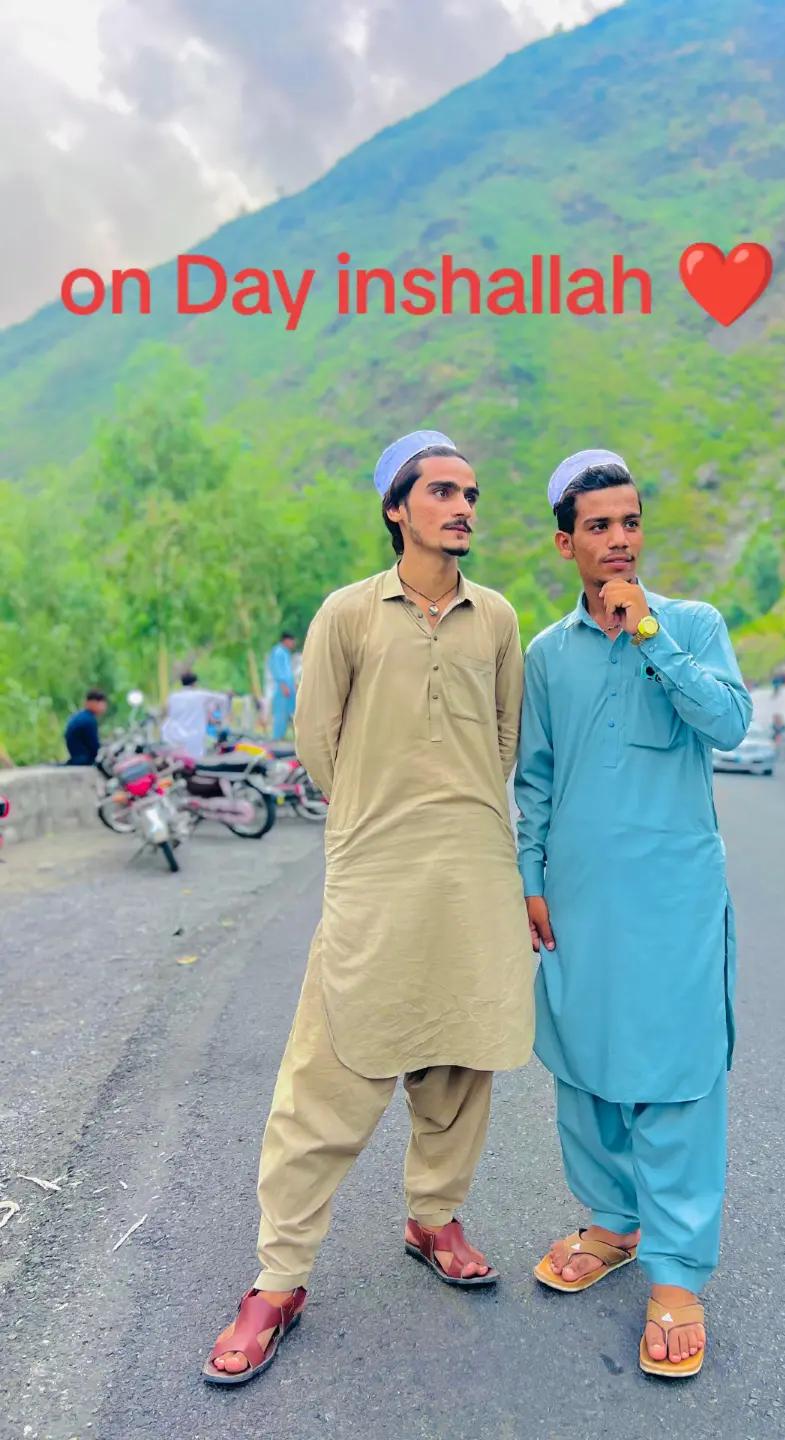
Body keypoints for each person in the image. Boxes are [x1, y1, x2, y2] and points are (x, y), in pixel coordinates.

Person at [202, 429, 535, 1386]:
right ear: (397, 508)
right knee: (331, 1070)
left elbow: (503, 738)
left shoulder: (497, 618)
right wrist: (379, 819)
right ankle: (279, 1277)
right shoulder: (348, 614)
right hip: (376, 871)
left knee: (461, 1057)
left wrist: (458, 817)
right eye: (442, 491)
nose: (462, 507)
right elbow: (320, 743)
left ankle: (434, 1218)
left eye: (471, 493)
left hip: (472, 870)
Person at [515, 450, 752, 1380]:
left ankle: (678, 1271)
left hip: (674, 897)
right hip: (579, 896)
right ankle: (615, 1224)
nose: (619, 540)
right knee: (584, 1062)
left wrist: (650, 632)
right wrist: (530, 873)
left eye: (631, 522)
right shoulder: (547, 654)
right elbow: (536, 777)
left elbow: (728, 722)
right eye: (599, 526)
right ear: (565, 543)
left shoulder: (692, 625)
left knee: (679, 1073)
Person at [160, 673, 231, 760]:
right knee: (194, 761)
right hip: (194, 735)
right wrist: (222, 717)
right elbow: (223, 698)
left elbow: (167, 713)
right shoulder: (200, 695)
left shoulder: (173, 697)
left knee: (178, 760)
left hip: (175, 735)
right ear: (195, 683)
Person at [63, 689, 108, 765]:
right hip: (84, 759)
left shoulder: (80, 716)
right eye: (101, 704)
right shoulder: (89, 720)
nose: (104, 707)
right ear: (92, 703)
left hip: (77, 757)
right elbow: (94, 747)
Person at [268, 631, 298, 740]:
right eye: (292, 641)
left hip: (289, 686)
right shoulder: (278, 652)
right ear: (286, 640)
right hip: (282, 687)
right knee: (281, 713)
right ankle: (277, 737)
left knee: (291, 712)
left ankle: (285, 736)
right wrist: (283, 684)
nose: (293, 644)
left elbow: (288, 672)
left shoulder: (286, 653)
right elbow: (277, 670)